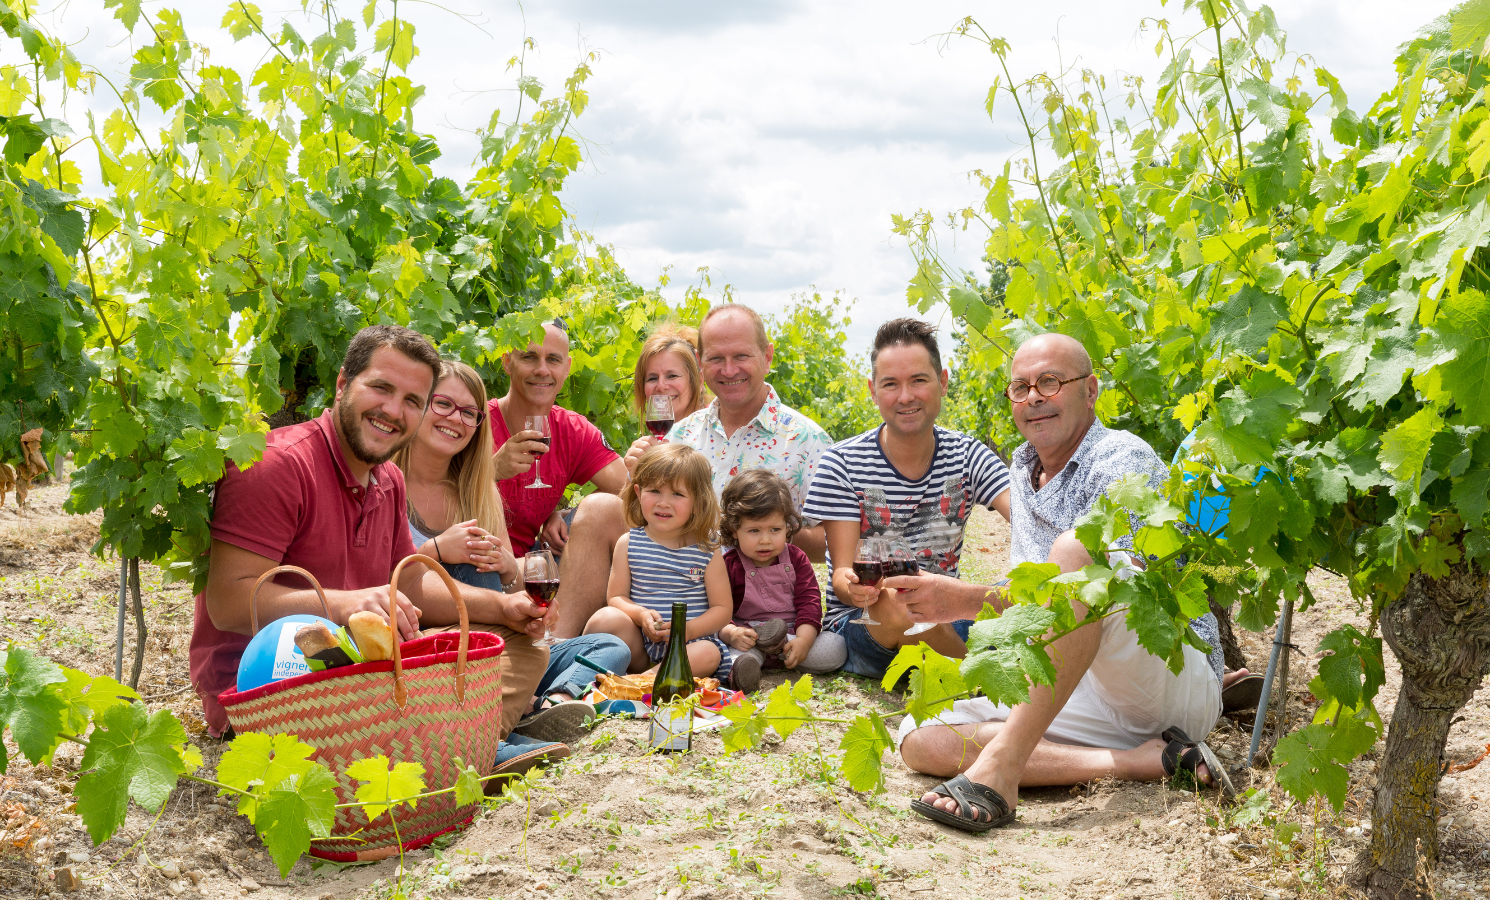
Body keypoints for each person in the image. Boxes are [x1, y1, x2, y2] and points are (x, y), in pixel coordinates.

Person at [887, 332, 1228, 832]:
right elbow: (1039, 606)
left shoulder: (1121, 460)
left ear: (1090, 390)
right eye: (1020, 388)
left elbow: (1102, 593)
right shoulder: (1023, 469)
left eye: (1049, 382)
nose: (1033, 398)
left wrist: (962, 600)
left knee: (1077, 552)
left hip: (1165, 678)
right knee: (920, 737)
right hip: (1082, 687)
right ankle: (1139, 761)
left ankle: (1003, 766)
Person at [190, 325, 548, 739]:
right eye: (381, 388)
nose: (394, 411)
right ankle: (466, 746)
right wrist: (346, 604)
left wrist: (504, 609)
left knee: (519, 646)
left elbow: (411, 583)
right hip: (271, 683)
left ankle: (458, 743)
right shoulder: (277, 465)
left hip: (362, 668)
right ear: (343, 383)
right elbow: (229, 604)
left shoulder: (388, 480)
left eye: (413, 401)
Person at [395, 360, 631, 751]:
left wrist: (509, 567)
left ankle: (546, 705)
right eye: (442, 404)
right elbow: (391, 579)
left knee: (609, 646)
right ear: (418, 405)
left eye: (469, 413)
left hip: (499, 646)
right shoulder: (388, 483)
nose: (456, 418)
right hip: (438, 644)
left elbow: (510, 583)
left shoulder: (475, 490)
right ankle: (501, 733)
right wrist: (436, 549)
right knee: (468, 573)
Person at [803, 318, 1012, 680]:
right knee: (904, 602)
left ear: (942, 382)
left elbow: (1026, 516)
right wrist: (853, 587)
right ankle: (980, 684)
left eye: (918, 380)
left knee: (1027, 607)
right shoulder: (843, 463)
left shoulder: (967, 455)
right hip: (868, 625)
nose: (905, 396)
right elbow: (840, 573)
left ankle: (953, 667)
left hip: (947, 618)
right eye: (890, 384)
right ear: (873, 390)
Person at [626, 304, 833, 563]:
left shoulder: (809, 441)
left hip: (761, 599)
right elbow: (640, 524)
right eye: (715, 359)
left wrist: (771, 527)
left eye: (741, 356)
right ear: (701, 363)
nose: (729, 370)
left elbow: (833, 541)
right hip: (681, 592)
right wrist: (636, 479)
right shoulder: (680, 435)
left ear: (767, 357)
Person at [583, 443, 734, 681]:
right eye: (654, 491)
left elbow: (722, 609)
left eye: (677, 494)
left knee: (709, 652)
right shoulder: (629, 543)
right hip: (641, 646)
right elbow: (616, 598)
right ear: (638, 491)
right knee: (605, 618)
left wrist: (687, 630)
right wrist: (641, 615)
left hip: (689, 648)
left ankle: (645, 682)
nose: (663, 502)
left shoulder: (706, 548)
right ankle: (591, 673)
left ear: (697, 501)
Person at [717, 469, 846, 691]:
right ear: (734, 530)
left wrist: (804, 640)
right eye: (754, 530)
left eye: (775, 529)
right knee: (726, 655)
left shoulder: (796, 558)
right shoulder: (729, 564)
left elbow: (810, 602)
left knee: (836, 646)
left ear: (788, 525)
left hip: (791, 637)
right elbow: (717, 609)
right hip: (750, 639)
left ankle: (790, 654)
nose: (765, 540)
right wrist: (731, 633)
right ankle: (747, 667)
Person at [632, 323, 709, 424]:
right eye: (652, 378)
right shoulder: (661, 433)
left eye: (672, 376)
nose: (661, 386)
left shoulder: (719, 431)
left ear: (699, 381)